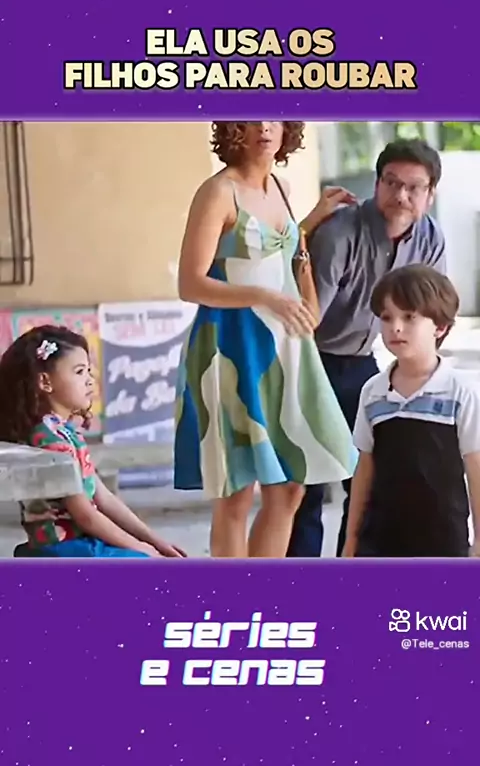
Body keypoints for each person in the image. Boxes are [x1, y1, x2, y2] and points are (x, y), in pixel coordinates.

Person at [174, 121, 358, 558]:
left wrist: (306, 294)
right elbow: (190, 284)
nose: (264, 127)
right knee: (236, 493)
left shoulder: (280, 187)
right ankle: (233, 593)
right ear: (233, 128)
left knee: (291, 488)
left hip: (285, 350)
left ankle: (262, 586)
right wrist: (264, 296)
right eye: (252, 118)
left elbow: (287, 252)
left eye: (275, 118)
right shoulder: (218, 192)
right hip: (230, 349)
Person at [287, 138, 447, 558]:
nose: (401, 195)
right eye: (391, 182)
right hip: (309, 360)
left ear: (430, 194)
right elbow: (307, 320)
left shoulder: (431, 239)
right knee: (306, 483)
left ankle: (353, 568)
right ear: (377, 184)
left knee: (366, 480)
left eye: (414, 187)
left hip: (362, 363)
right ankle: (298, 578)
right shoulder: (340, 233)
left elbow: (433, 311)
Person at [0, 325, 187, 558]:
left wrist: (154, 542)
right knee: (146, 564)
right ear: (45, 382)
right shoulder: (48, 439)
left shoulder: (64, 432)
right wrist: (143, 549)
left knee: (149, 558)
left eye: (89, 371)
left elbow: (103, 498)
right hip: (66, 549)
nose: (90, 380)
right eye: (79, 372)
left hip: (83, 543)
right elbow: (86, 516)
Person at [342, 265, 480, 558]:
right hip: (379, 544)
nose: (396, 327)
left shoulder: (460, 393)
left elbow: (476, 467)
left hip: (443, 542)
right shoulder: (373, 392)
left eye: (409, 317)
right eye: (386, 317)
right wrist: (351, 538)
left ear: (440, 327)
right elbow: (364, 468)